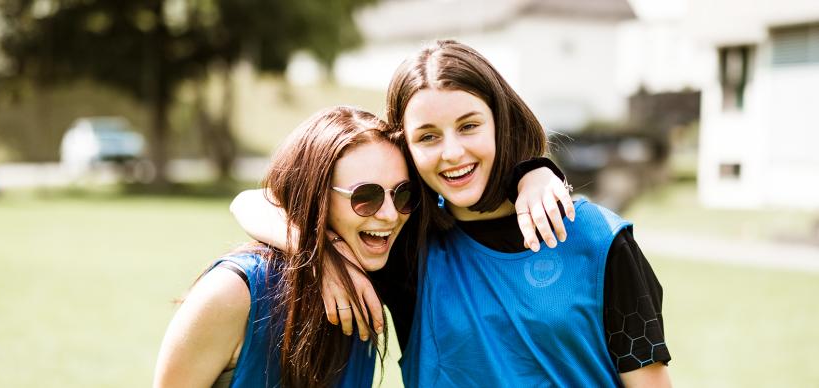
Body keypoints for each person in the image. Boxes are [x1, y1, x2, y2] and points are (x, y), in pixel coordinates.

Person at [233, 40, 672, 387]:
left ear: (501, 121)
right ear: (406, 149)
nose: (452, 153)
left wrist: (533, 169)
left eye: (469, 126)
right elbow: (256, 202)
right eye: (427, 136)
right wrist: (321, 256)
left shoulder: (596, 239)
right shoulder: (406, 245)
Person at [153, 106, 419, 388]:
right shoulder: (234, 292)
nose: (391, 214)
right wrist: (321, 255)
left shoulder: (381, 275)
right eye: (366, 196)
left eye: (403, 194)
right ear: (315, 195)